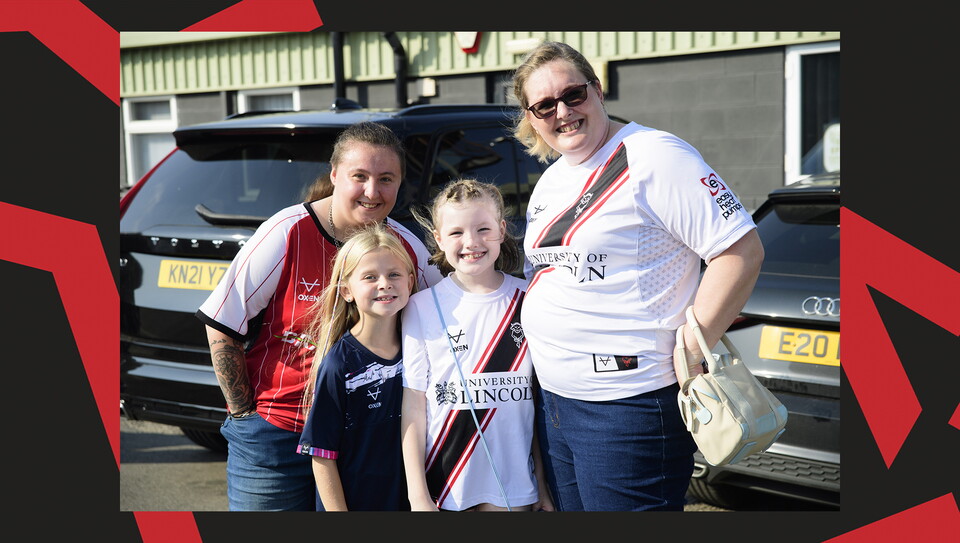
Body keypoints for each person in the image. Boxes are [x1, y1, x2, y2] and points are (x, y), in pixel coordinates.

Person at [511, 41, 764, 511]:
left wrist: (691, 346)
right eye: (545, 105)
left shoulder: (657, 156)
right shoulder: (553, 176)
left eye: (573, 94)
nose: (562, 111)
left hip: (628, 409)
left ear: (598, 89)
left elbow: (741, 252)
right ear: (531, 116)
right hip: (556, 401)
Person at [196, 121, 442, 511]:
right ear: (334, 175)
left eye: (386, 179)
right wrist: (244, 414)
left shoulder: (407, 248)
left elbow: (442, 327)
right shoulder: (286, 232)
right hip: (278, 438)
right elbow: (222, 324)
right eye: (358, 176)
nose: (371, 191)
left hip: (367, 438)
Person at [400, 179, 554, 512]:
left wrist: (543, 483)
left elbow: (542, 400)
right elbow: (413, 405)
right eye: (456, 233)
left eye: (483, 229)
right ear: (439, 239)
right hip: (446, 485)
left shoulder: (530, 297)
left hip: (516, 486)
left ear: (502, 230)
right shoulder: (420, 306)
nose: (471, 242)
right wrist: (417, 495)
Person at [296, 224, 416, 511]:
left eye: (394, 274)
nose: (384, 283)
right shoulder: (340, 364)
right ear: (347, 291)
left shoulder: (421, 349)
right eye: (370, 277)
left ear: (410, 282)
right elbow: (322, 455)